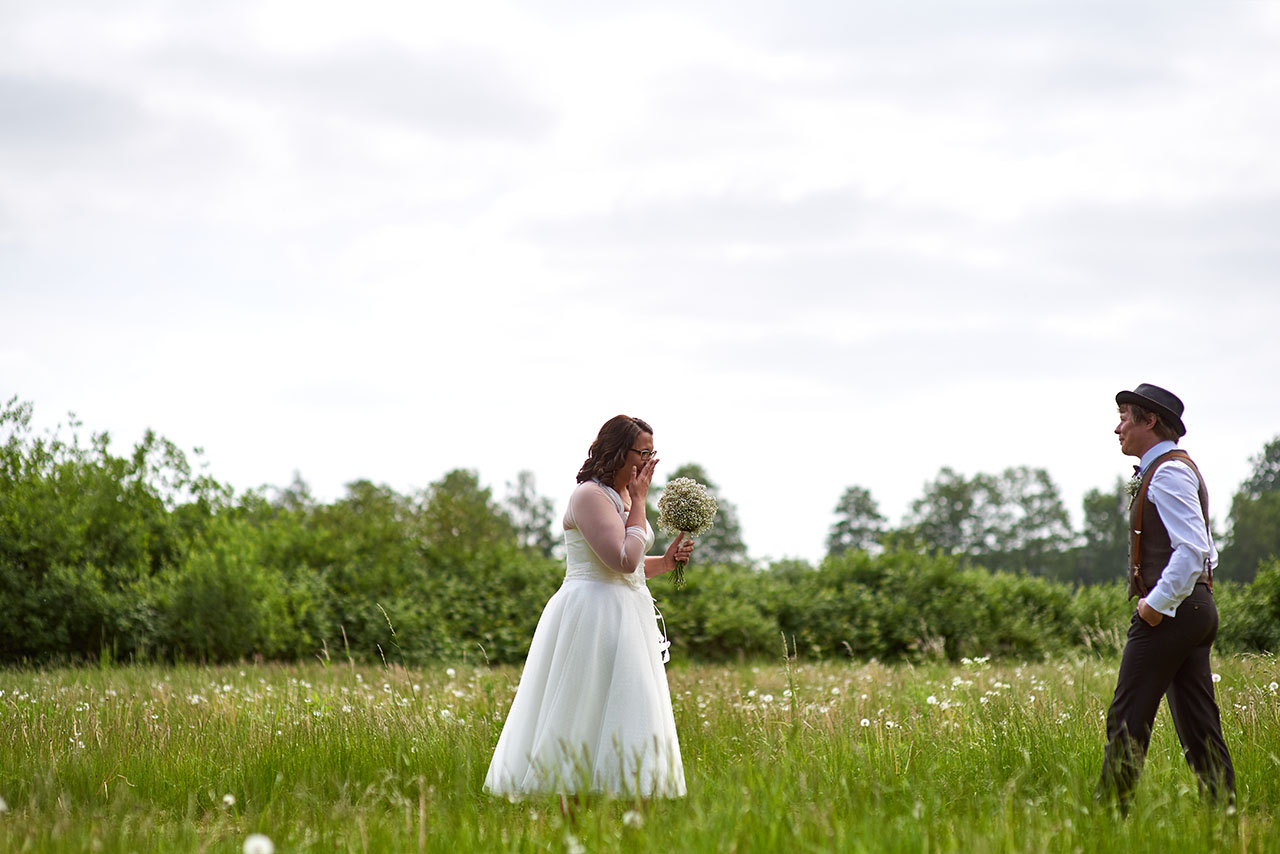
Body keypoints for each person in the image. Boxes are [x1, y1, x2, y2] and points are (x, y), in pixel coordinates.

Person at [484, 415, 695, 798]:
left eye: (653, 452)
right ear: (618, 450)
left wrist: (665, 562)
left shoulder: (626, 497)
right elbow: (621, 560)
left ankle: (629, 800)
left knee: (632, 702)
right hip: (591, 614)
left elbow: (630, 568)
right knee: (582, 706)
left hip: (626, 612)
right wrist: (643, 502)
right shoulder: (589, 496)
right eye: (643, 452)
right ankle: (569, 801)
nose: (650, 462)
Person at [1096, 383, 1235, 813]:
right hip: (1193, 610)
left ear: (1150, 421)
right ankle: (1223, 815)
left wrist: (1154, 605)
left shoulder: (1170, 471)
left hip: (1172, 613)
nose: (1116, 428)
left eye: (1124, 418)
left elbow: (1193, 549)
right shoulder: (1169, 469)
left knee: (1126, 718)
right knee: (1198, 724)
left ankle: (1107, 820)